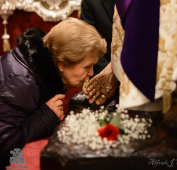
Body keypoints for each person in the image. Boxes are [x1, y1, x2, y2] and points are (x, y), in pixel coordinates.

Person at [0, 17, 106, 168]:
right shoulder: (22, 82)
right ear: (62, 64)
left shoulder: (37, 70)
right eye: (87, 66)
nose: (91, 73)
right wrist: (45, 117)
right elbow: (3, 147)